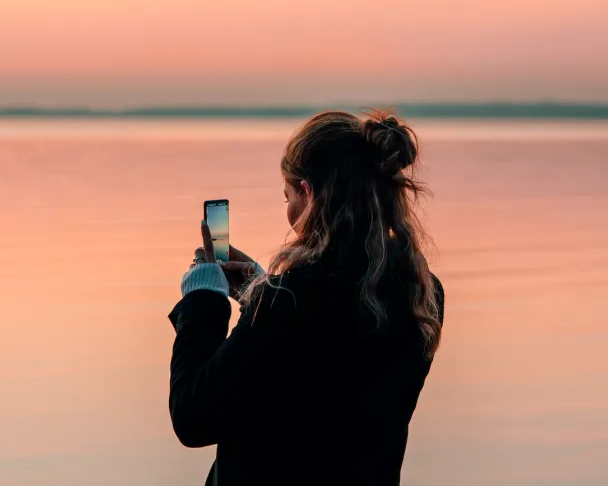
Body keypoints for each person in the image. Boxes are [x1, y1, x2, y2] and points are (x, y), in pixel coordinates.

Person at [167, 110, 445, 486]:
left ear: (309, 193)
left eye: (288, 195)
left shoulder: (287, 305)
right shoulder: (422, 291)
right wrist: (258, 289)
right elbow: (322, 371)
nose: (289, 211)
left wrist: (204, 299)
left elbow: (193, 419)